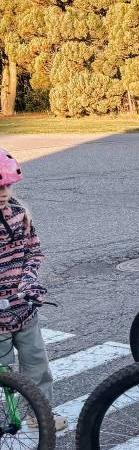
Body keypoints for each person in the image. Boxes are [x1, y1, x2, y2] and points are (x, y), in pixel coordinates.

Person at [0, 150, 62, 431]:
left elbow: (33, 254)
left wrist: (28, 281)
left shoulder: (19, 215)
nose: (4, 193)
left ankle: (39, 415)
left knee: (36, 365)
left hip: (23, 308)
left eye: (7, 186)